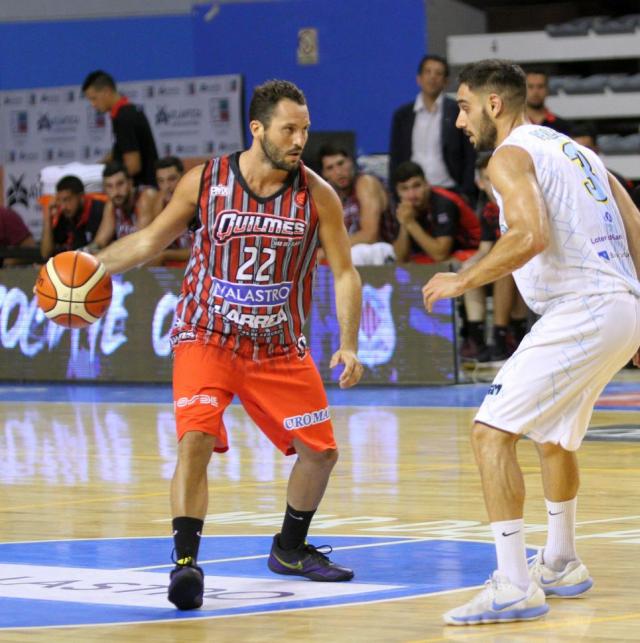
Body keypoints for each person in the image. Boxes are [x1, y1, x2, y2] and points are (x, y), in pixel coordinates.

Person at [93, 80, 363, 610]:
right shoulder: (207, 180)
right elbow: (151, 240)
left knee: (321, 454)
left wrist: (348, 344)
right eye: (289, 129)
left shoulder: (317, 194)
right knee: (195, 439)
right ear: (257, 128)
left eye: (304, 129)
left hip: (278, 346)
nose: (299, 140)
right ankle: (186, 565)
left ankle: (289, 549)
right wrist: (92, 265)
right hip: (207, 335)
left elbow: (346, 272)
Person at [423, 59, 640, 625]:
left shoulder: (509, 155)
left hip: (583, 307)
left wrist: (462, 277)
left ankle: (514, 584)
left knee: (490, 433)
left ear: (494, 105)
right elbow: (635, 222)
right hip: (619, 304)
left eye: (465, 107)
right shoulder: (578, 152)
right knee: (554, 436)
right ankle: (562, 560)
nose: (460, 121)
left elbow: (529, 233)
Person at [460, 154, 528, 362]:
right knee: (469, 271)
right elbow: (485, 248)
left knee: (505, 268)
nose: (493, 184)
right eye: (488, 179)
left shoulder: (519, 203)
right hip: (507, 266)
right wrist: (470, 266)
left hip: (526, 267)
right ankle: (476, 338)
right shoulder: (489, 211)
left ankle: (502, 336)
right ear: (480, 183)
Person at [389, 54, 476, 203]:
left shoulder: (458, 111)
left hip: (450, 191)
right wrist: (396, 194)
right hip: (411, 194)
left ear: (446, 81)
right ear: (418, 78)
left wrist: (466, 193)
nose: (432, 77)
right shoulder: (402, 116)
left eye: (438, 73)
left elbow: (469, 154)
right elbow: (396, 157)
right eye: (427, 72)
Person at [318, 144, 395, 265]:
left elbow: (370, 235)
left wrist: (326, 251)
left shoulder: (365, 183)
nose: (338, 172)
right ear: (324, 174)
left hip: (384, 253)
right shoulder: (329, 195)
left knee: (356, 254)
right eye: (330, 168)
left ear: (350, 162)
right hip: (352, 254)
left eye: (341, 163)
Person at [390, 161, 480, 264]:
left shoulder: (444, 202)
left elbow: (440, 255)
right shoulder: (403, 208)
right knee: (405, 268)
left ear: (426, 185)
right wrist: (404, 223)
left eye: (416, 186)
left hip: (476, 250)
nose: (412, 195)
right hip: (440, 254)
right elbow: (400, 258)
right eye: (404, 189)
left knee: (446, 265)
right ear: (398, 192)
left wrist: (410, 223)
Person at [82, 70, 158, 187]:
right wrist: (96, 168)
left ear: (106, 91)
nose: (93, 104)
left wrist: (103, 180)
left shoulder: (123, 118)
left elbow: (133, 166)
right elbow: (122, 148)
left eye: (94, 98)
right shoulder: (128, 110)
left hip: (143, 190)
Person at [91, 162, 158, 250]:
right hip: (127, 255)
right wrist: (84, 252)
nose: (116, 192)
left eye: (120, 184)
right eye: (109, 186)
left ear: (130, 183)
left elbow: (141, 242)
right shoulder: (112, 204)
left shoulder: (145, 197)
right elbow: (100, 242)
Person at [40, 175, 106, 260]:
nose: (63, 206)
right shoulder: (64, 215)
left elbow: (100, 246)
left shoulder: (99, 211)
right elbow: (45, 253)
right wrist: (47, 217)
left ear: (81, 197)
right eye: (60, 200)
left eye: (67, 199)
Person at [150, 156, 192, 267]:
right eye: (161, 181)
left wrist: (166, 255)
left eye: (172, 179)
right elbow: (156, 240)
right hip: (173, 265)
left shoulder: (197, 203)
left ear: (183, 177)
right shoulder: (160, 202)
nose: (166, 186)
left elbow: (204, 249)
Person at [525, 70, 572, 135]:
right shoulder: (515, 124)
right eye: (530, 87)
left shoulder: (562, 126)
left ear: (548, 90)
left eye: (540, 86)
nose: (535, 92)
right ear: (523, 90)